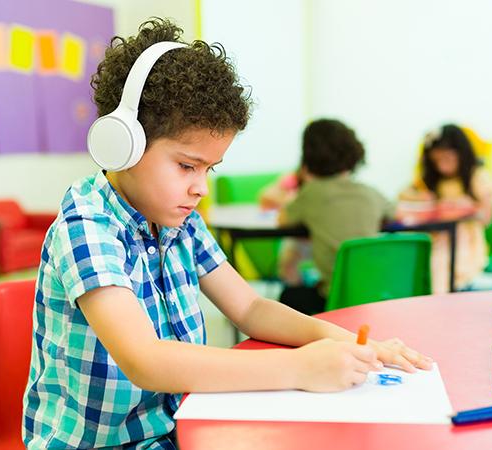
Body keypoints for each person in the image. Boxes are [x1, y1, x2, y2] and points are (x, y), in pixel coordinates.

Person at [23, 19, 432, 449]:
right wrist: (299, 369)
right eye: (187, 165)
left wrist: (342, 341)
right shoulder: (85, 225)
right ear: (122, 144)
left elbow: (251, 307)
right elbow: (145, 361)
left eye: (208, 169)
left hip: (173, 431)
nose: (201, 187)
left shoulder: (178, 220)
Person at [277, 119, 394, 315]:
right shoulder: (370, 193)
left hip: (334, 300)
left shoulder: (311, 193)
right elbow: (394, 213)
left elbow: (282, 220)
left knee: (289, 295)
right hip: (376, 296)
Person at [400, 124, 492, 293]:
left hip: (465, 243)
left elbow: (486, 218)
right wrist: (422, 199)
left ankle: (438, 300)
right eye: (436, 161)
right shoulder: (432, 181)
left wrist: (468, 208)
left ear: (462, 155)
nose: (442, 166)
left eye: (447, 159)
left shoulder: (476, 176)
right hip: (435, 239)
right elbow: (402, 197)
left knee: (440, 263)